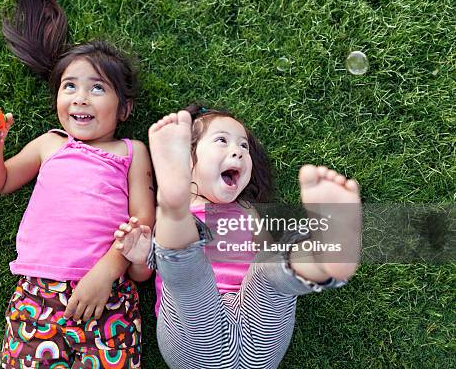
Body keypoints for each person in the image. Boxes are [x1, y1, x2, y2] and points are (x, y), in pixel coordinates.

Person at [0, 0, 154, 369]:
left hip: (109, 292)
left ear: (124, 108)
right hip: (39, 292)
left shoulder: (130, 151)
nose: (80, 98)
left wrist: (107, 272)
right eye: (69, 86)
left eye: (97, 88)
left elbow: (142, 222)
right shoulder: (50, 143)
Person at [114, 105, 362, 369]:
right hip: (197, 333)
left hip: (256, 323)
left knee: (270, 272)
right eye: (222, 140)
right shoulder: (164, 223)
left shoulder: (249, 211)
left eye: (244, 146)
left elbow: (266, 260)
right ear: (188, 158)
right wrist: (141, 257)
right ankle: (175, 207)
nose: (238, 152)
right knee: (188, 279)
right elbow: (142, 274)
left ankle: (321, 257)